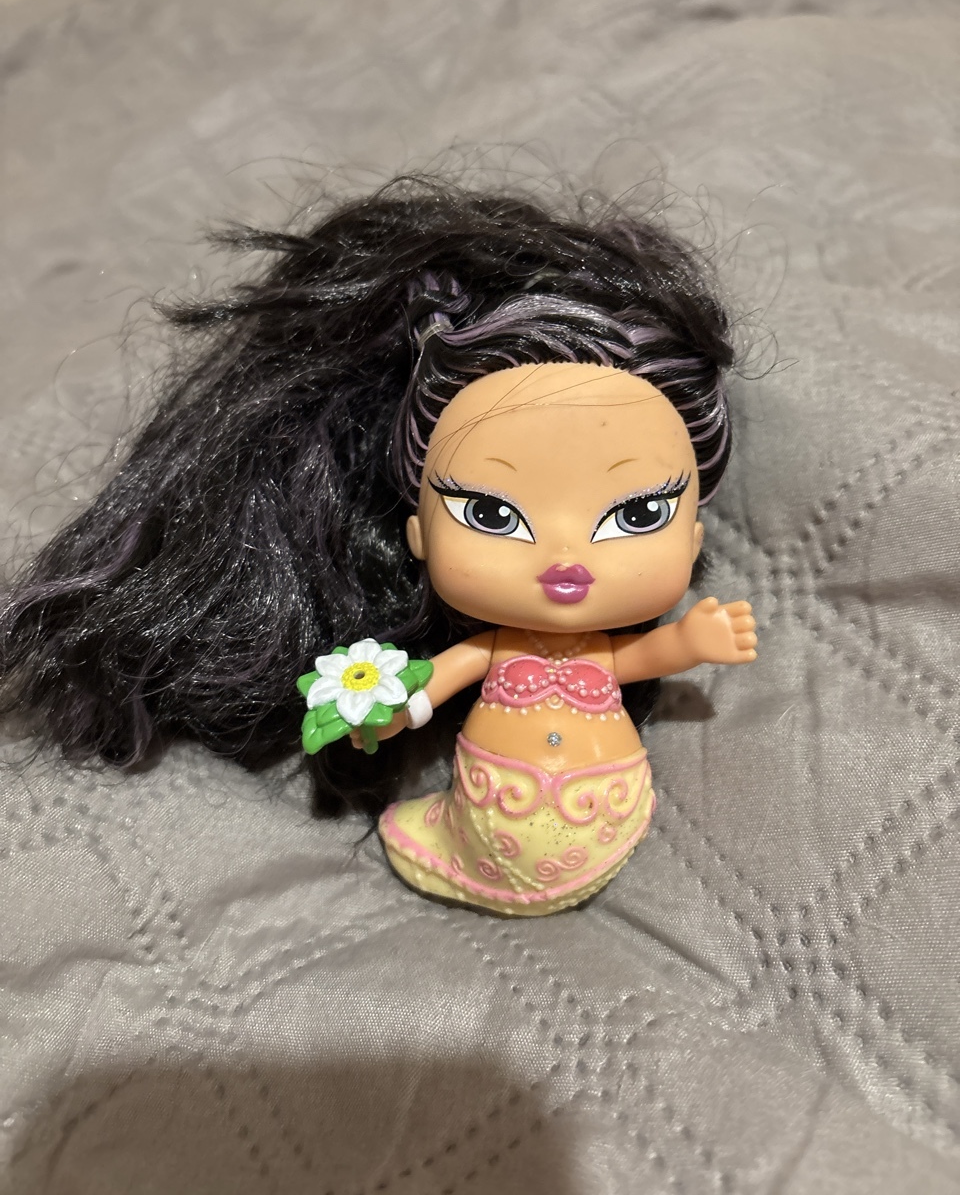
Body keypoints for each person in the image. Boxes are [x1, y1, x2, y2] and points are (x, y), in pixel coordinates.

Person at [0, 178, 756, 911]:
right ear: (417, 535)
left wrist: (692, 640)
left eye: (636, 514)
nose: (565, 559)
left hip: (605, 804)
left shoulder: (576, 652)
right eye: (492, 515)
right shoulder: (489, 650)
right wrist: (383, 713)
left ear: (692, 537)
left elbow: (643, 658)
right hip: (494, 807)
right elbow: (424, 690)